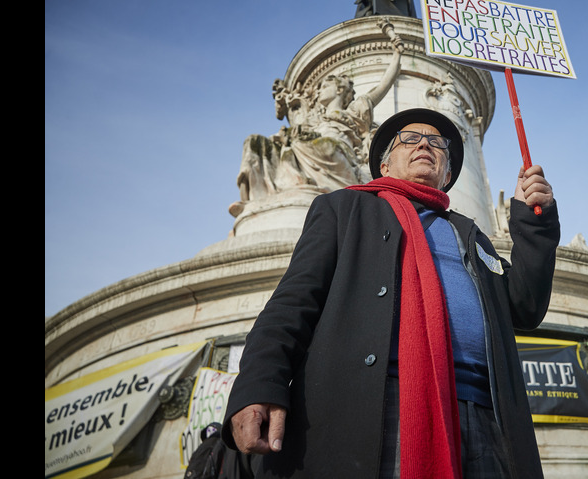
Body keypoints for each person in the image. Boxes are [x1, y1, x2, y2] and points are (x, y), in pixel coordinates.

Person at [222, 108, 559, 478]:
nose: (425, 145)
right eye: (411, 139)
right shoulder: (345, 209)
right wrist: (258, 384)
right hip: (384, 405)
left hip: (486, 415)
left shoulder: (470, 233)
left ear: (447, 175)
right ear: (384, 165)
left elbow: (524, 306)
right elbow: (292, 303)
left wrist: (534, 224)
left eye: (437, 143)